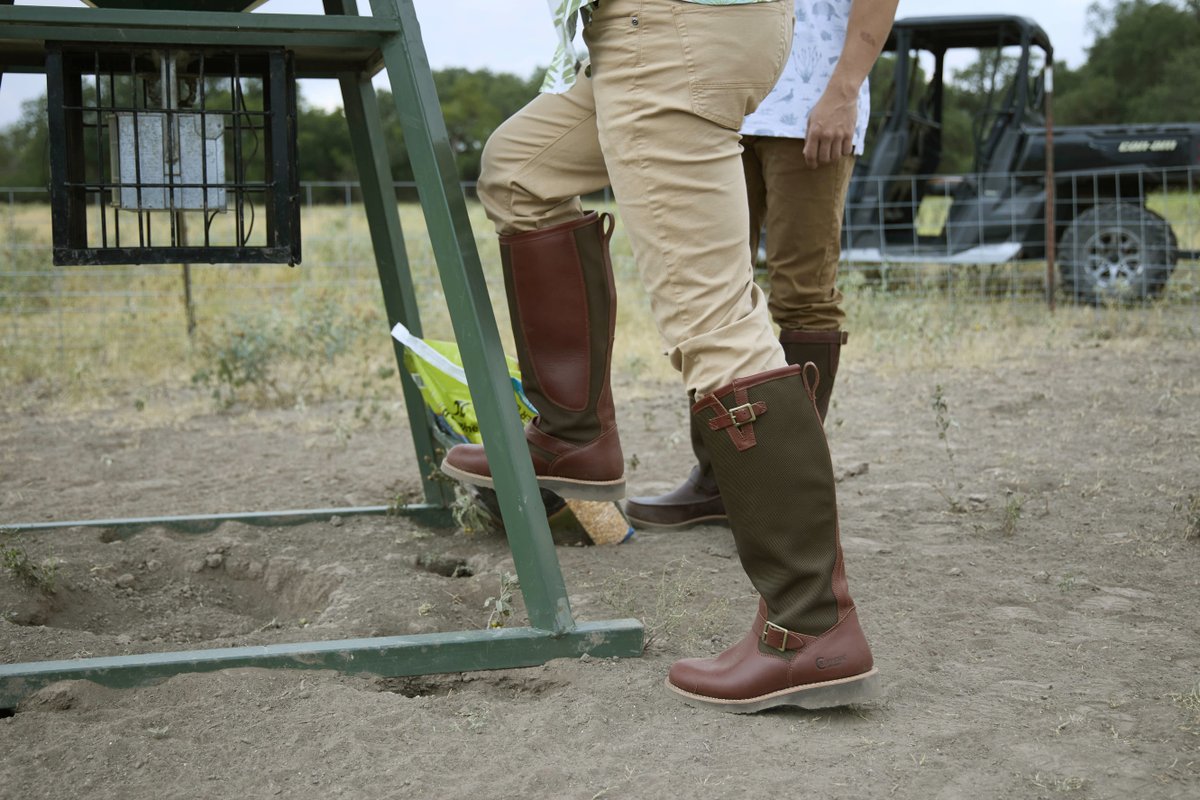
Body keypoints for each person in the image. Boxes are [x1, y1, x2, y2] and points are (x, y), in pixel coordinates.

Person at [440, 0, 897, 712]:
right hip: (650, 34)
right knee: (521, 170)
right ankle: (572, 437)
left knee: (715, 322)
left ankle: (810, 625)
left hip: (672, 31)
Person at [625, 0, 880, 530]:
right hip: (715, 103)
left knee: (804, 295)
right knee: (708, 294)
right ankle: (718, 482)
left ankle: (788, 486)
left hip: (809, 103)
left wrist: (843, 91)